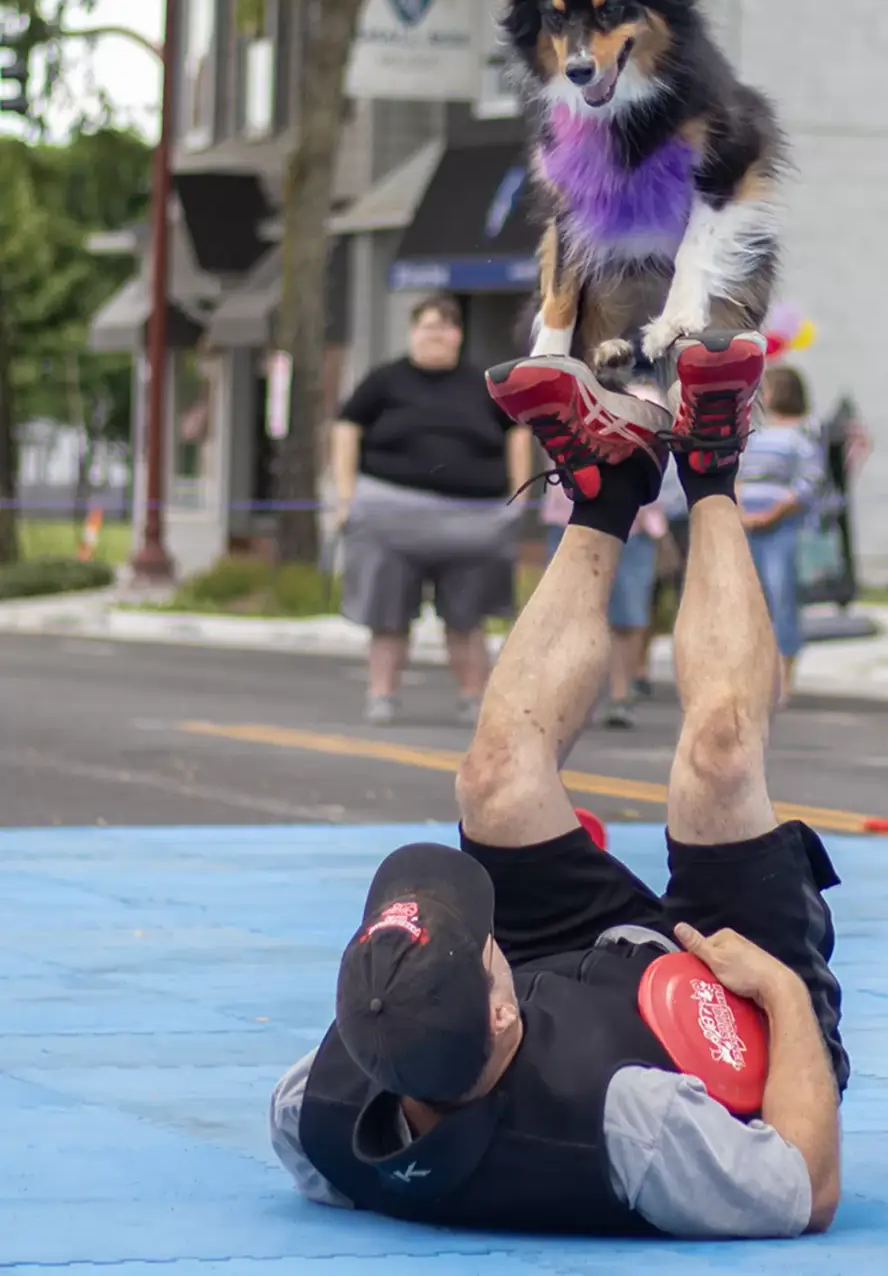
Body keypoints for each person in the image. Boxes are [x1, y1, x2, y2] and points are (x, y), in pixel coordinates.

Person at [270, 335, 846, 1240]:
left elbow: (364, 1098)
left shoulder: (316, 1109)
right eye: (470, 942)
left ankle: (609, 488)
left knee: (493, 784)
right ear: (497, 1016)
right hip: (725, 1009)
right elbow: (803, 1189)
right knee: (719, 761)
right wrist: (777, 989)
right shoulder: (634, 1128)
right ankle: (711, 469)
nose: (471, 921)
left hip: (567, 969)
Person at [331, 294, 532, 726]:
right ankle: (381, 695)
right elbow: (347, 427)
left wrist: (520, 495)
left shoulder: (485, 383)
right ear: (412, 333)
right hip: (390, 515)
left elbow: (516, 432)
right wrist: (346, 495)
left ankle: (474, 698)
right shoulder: (383, 381)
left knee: (467, 618)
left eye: (444, 327)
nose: (435, 336)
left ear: (458, 335)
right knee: (387, 618)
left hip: (473, 520)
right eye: (426, 327)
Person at [542, 479, 667, 728]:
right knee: (566, 614)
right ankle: (568, 696)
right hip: (570, 515)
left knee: (628, 616)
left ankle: (621, 696)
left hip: (634, 518)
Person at [737, 364, 824, 701]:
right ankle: (755, 674)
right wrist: (742, 510)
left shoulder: (803, 435)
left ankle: (784, 676)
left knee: (782, 596)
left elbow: (809, 483)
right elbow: (739, 474)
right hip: (749, 526)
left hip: (782, 528)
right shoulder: (755, 433)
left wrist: (773, 512)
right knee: (751, 602)